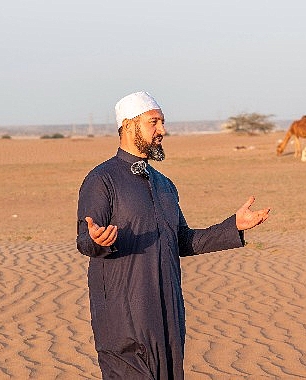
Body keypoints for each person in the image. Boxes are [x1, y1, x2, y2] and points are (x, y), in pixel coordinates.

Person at [76, 91, 271, 379]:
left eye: (162, 122)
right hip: (122, 315)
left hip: (167, 314)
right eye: (153, 122)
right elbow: (84, 239)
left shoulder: (164, 184)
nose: (162, 130)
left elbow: (182, 240)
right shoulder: (102, 179)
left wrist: (234, 227)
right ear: (129, 125)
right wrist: (96, 241)